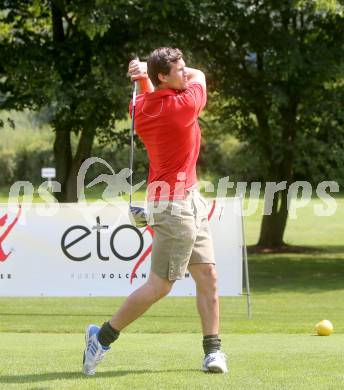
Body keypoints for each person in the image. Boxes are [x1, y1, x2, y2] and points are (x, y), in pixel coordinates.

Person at [82, 47, 228, 375]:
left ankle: (213, 351)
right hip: (173, 205)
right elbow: (200, 77)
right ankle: (101, 337)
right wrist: (147, 73)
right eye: (179, 69)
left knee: (208, 275)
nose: (185, 72)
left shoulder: (140, 106)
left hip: (187, 197)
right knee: (161, 285)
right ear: (165, 77)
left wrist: (144, 77)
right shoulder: (184, 105)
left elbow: (153, 94)